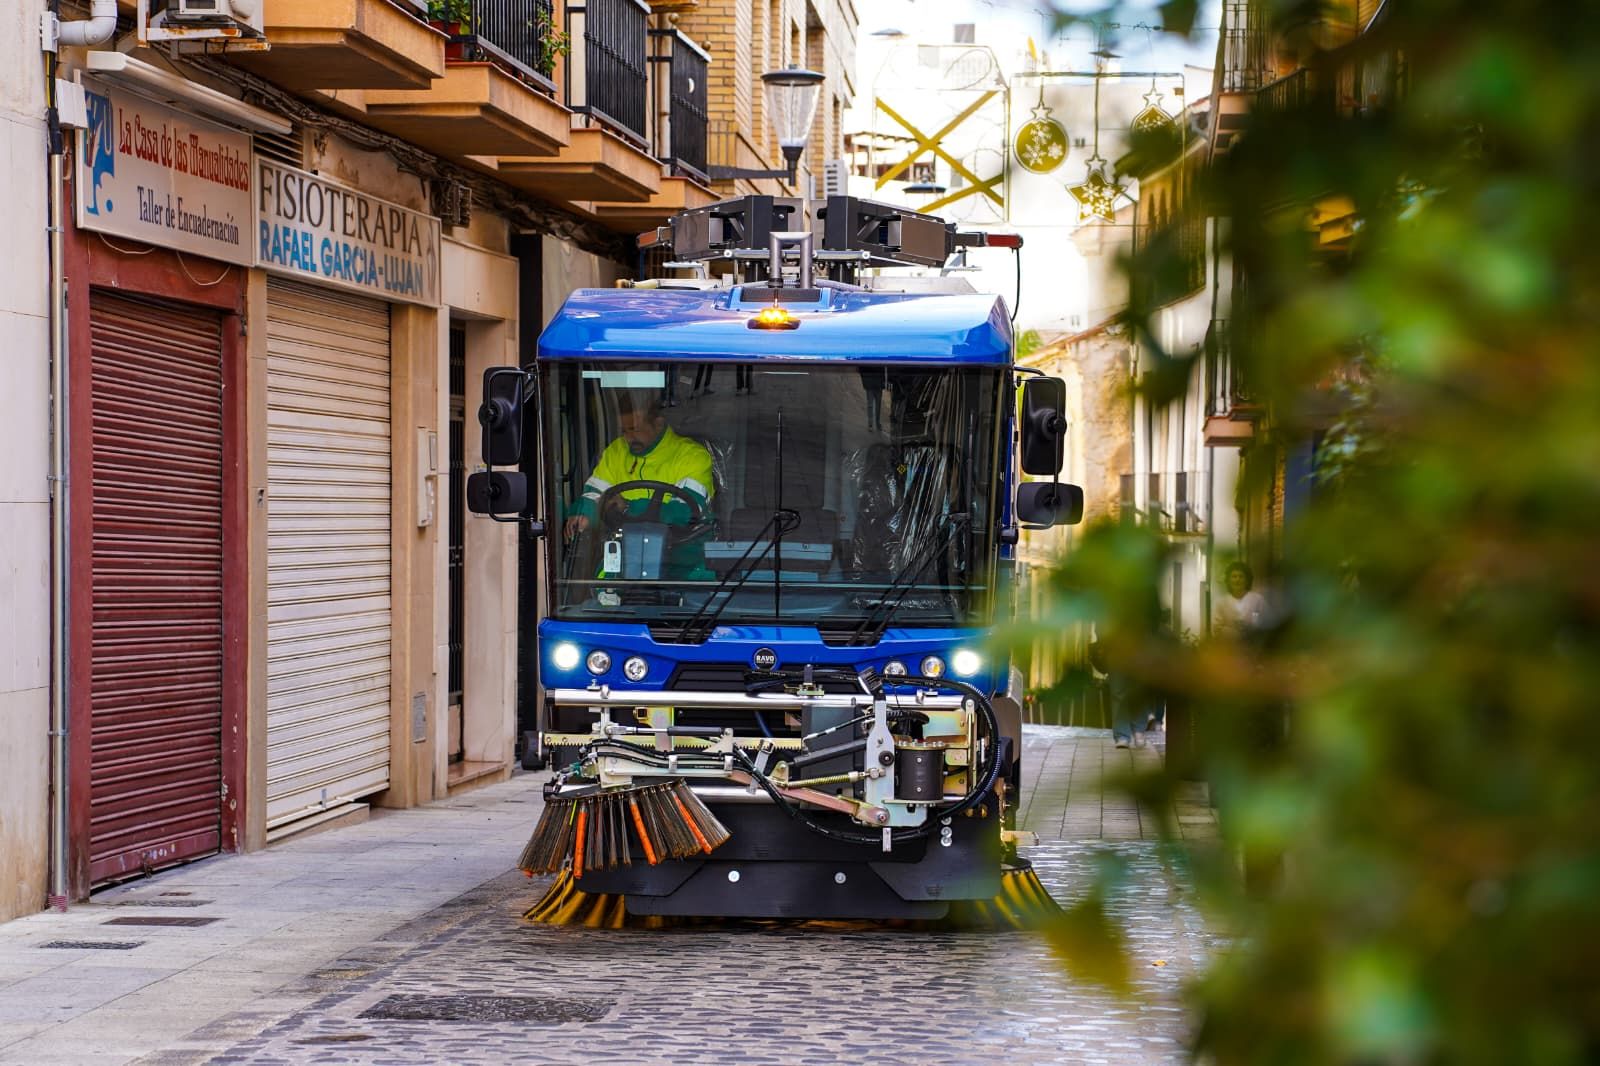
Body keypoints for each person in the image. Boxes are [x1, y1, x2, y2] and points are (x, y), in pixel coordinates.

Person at [562, 393, 715, 575]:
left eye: (634, 429)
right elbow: (594, 494)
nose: (628, 437)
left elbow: (683, 513)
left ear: (658, 423)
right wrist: (584, 515)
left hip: (682, 562)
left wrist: (627, 508)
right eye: (624, 430)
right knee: (598, 592)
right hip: (623, 559)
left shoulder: (692, 456)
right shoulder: (616, 452)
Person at [1213, 561, 1266, 638]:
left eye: (1241, 576)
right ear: (1228, 580)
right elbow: (1217, 628)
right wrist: (1233, 633)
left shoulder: (1257, 600)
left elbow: (1262, 622)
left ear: (1247, 580)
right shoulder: (1221, 602)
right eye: (1234, 576)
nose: (1237, 580)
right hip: (1229, 646)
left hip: (1252, 645)